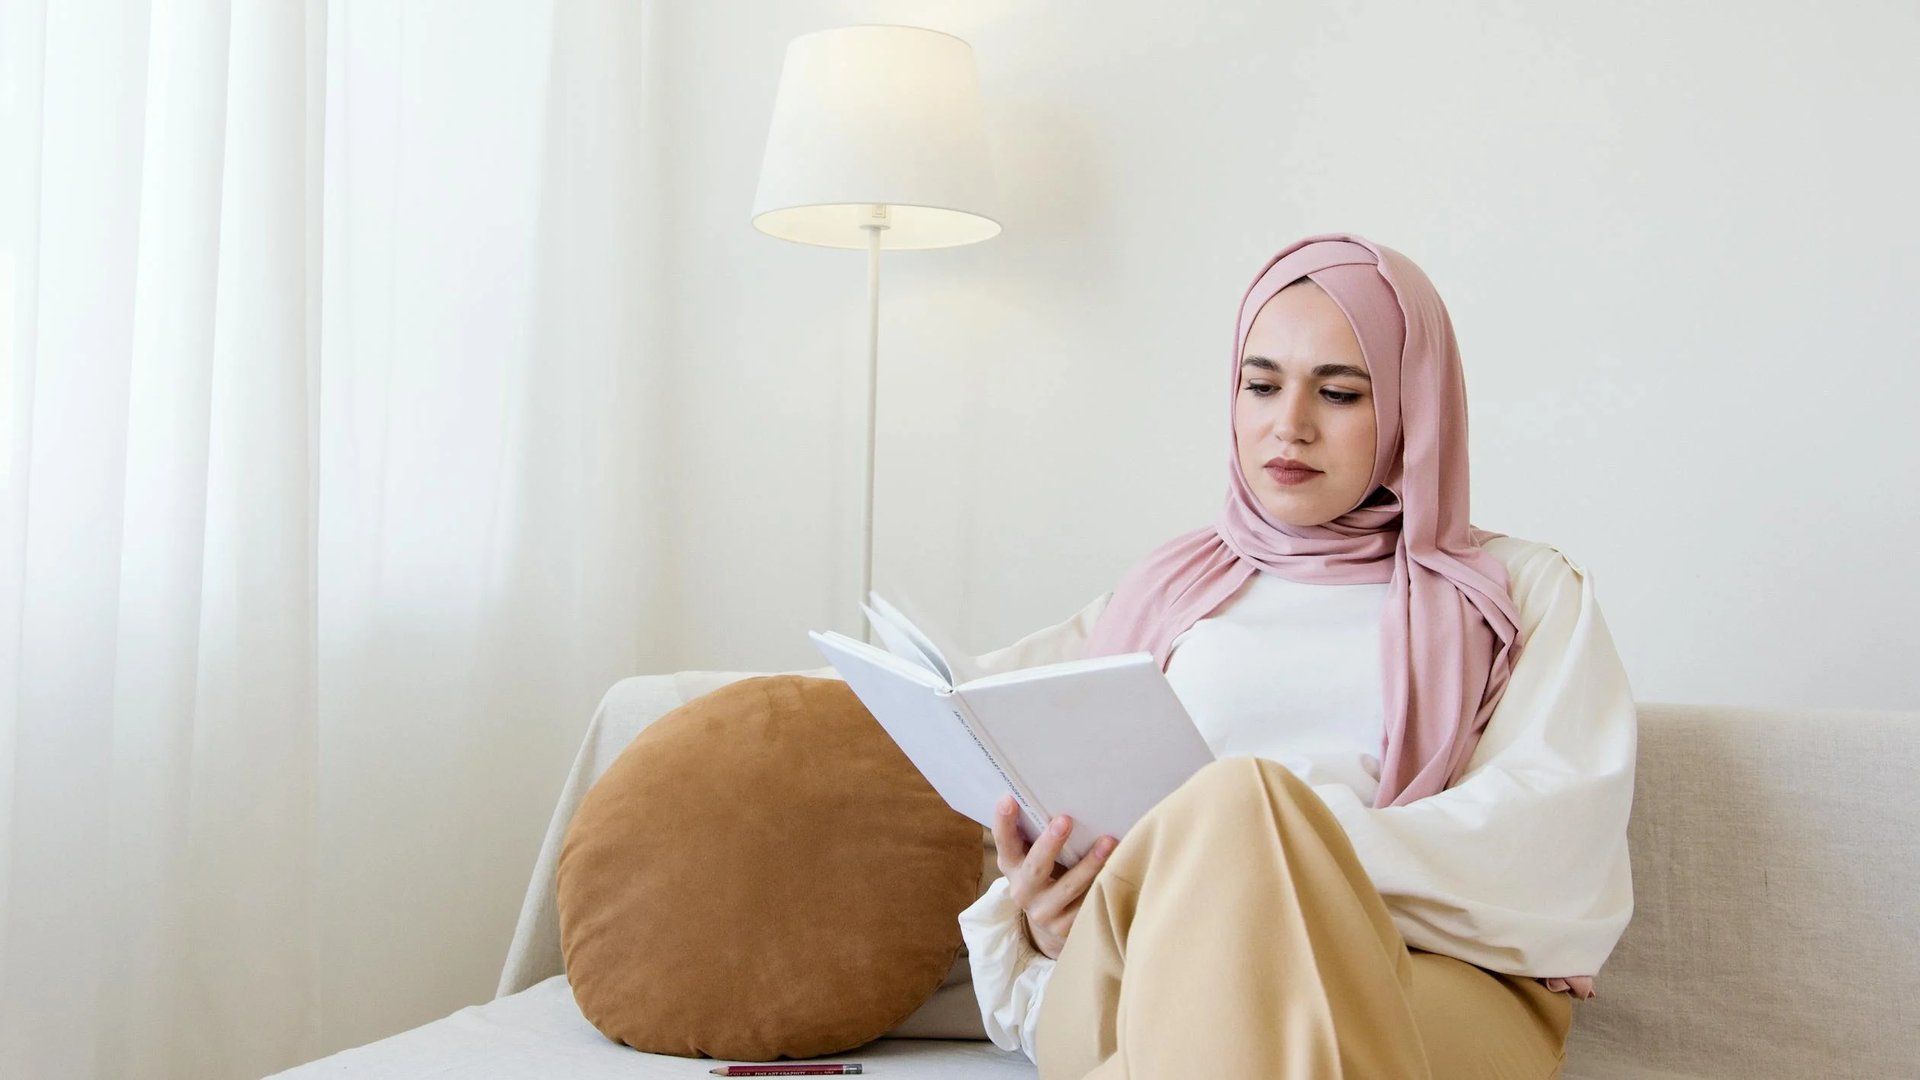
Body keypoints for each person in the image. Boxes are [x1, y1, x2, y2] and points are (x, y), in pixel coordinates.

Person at [956, 233, 1637, 1079]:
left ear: (1411, 405)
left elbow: (1542, 847)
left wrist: (1253, 849)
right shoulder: (1169, 587)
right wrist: (1058, 913)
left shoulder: (1521, 590)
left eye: (1341, 392)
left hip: (1422, 980)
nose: (1290, 425)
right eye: (1262, 384)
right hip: (1133, 971)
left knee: (1241, 802)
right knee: (1231, 831)